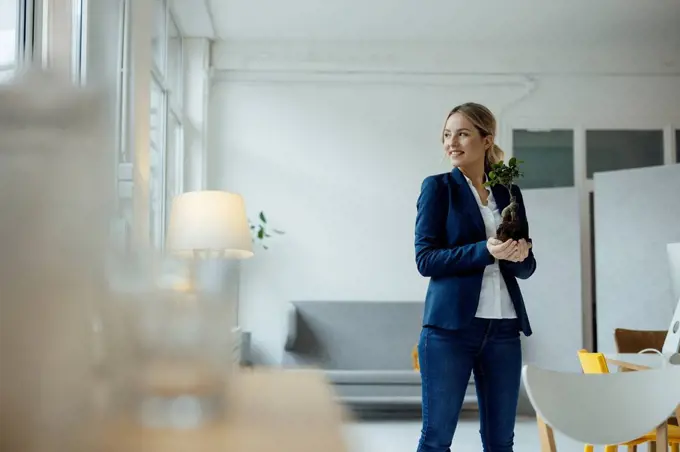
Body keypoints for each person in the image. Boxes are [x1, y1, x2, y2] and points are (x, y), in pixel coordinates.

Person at [414, 102, 536, 452]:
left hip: (504, 330)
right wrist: (486, 250)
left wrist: (519, 255)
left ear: (486, 140)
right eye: (447, 135)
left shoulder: (508, 193)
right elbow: (426, 259)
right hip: (449, 331)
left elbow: (526, 268)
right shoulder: (437, 188)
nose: (452, 142)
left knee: (501, 441)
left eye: (463, 133)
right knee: (436, 439)